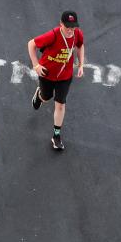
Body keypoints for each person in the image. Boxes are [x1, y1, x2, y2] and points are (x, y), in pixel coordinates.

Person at [27, 10, 85, 151]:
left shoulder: (77, 34)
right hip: (47, 74)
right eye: (68, 27)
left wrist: (81, 64)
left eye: (73, 27)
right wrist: (36, 65)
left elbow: (80, 45)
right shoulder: (52, 35)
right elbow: (31, 44)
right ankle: (39, 95)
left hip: (64, 76)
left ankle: (56, 136)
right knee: (46, 98)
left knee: (60, 105)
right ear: (61, 24)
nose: (71, 31)